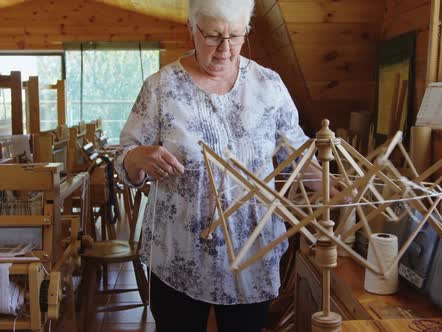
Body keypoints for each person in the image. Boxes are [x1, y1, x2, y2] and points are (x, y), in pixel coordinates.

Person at [115, 0, 328, 330]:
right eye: (214, 35)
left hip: (252, 254)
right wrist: (138, 157)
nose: (225, 49)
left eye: (236, 35)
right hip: (178, 256)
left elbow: (296, 156)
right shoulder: (160, 87)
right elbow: (124, 157)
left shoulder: (269, 85)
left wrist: (330, 185)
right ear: (192, 29)